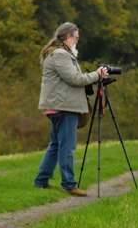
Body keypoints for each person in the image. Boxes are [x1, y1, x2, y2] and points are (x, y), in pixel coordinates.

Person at [34, 22, 108, 197]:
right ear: (68, 37)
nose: (76, 41)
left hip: (58, 106)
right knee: (67, 147)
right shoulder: (60, 55)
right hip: (64, 107)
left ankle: (41, 180)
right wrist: (97, 75)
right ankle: (69, 184)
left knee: (56, 145)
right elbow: (75, 79)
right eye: (76, 37)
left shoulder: (57, 53)